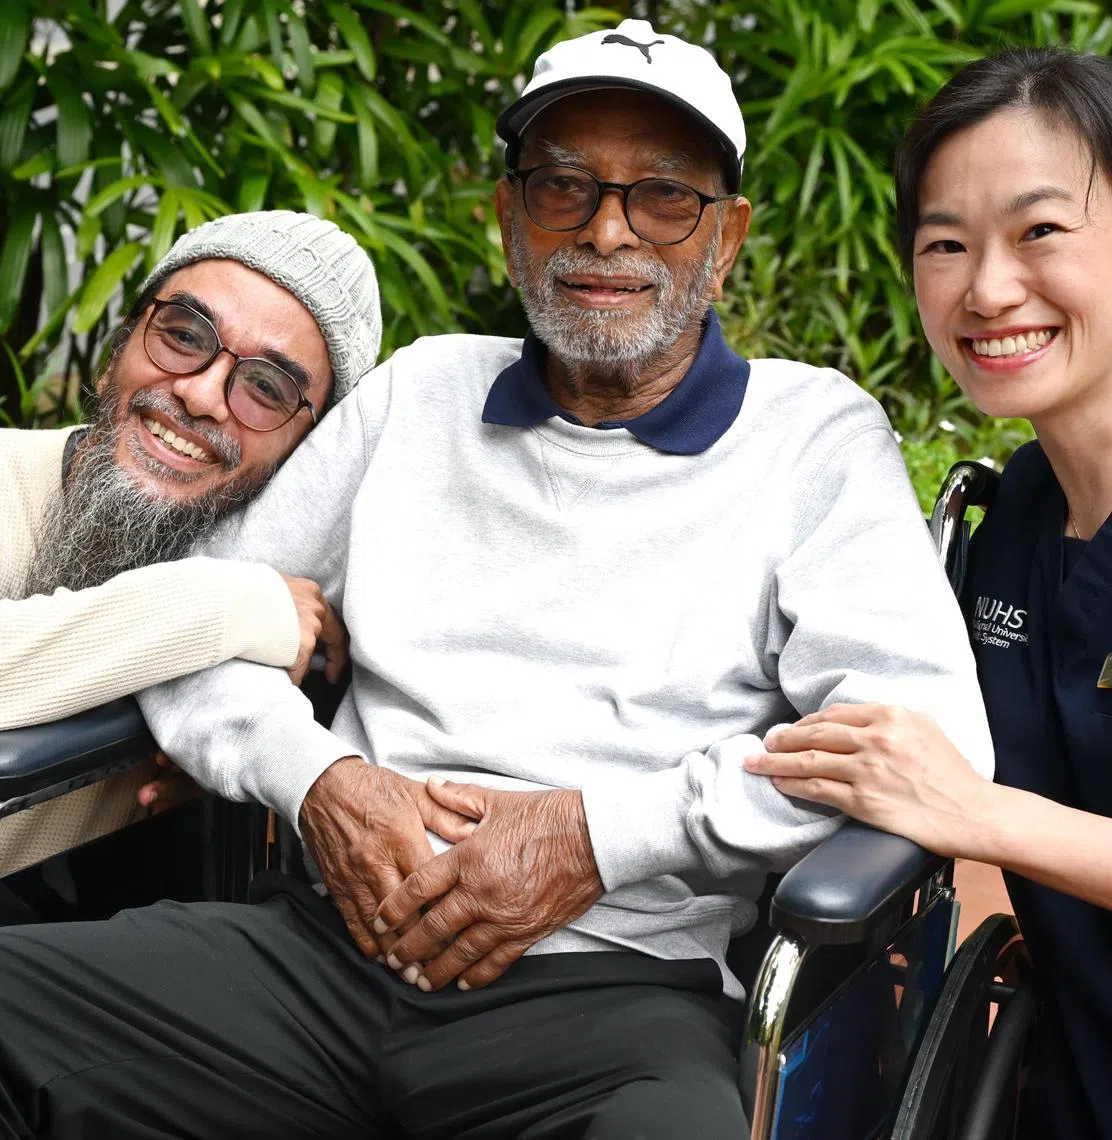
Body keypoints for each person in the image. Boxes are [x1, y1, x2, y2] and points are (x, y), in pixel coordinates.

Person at [0, 21, 993, 1140]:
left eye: (664, 198)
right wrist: (318, 779)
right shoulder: (418, 394)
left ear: (725, 239)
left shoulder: (812, 437)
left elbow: (922, 736)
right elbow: (203, 626)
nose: (607, 230)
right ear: (510, 219)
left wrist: (600, 837)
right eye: (563, 186)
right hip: (318, 957)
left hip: (612, 996)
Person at [749, 48, 1112, 1140]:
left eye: (1041, 230)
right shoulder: (1007, 520)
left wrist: (982, 816)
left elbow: (975, 806)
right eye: (946, 245)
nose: (989, 289)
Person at [0, 210, 379, 878]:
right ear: (120, 345)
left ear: (307, 455)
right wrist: (225, 606)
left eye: (267, 387)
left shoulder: (305, 613)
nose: (202, 395)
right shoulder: (262, 606)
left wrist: (228, 748)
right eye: (183, 335)